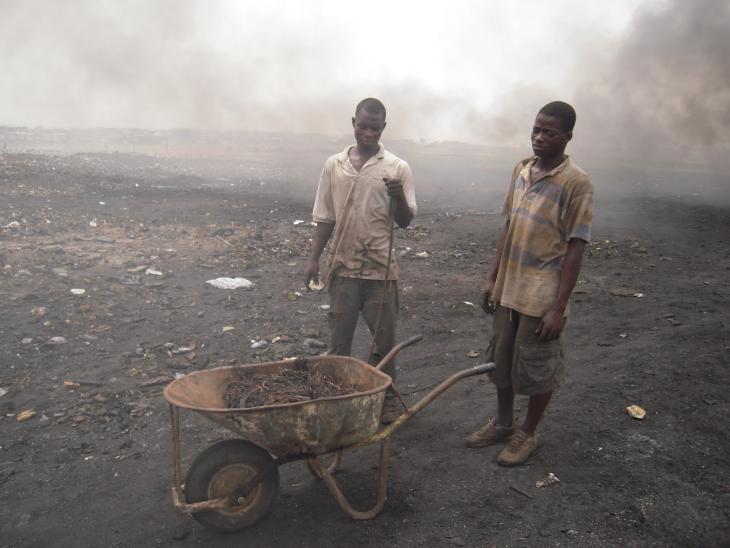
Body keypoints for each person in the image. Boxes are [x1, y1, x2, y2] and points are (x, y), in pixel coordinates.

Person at [465, 101, 593, 466]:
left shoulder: (577, 183)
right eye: (536, 129)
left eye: (549, 132)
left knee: (538, 367)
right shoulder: (521, 170)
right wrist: (492, 277)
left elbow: (575, 248)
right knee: (501, 360)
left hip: (541, 294)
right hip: (510, 287)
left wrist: (558, 308)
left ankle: (528, 433)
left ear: (567, 137)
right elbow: (508, 227)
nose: (539, 137)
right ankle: (504, 424)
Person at [304, 98, 417, 424]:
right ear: (354, 122)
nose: (368, 132)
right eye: (363, 126)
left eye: (375, 127)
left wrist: (397, 195)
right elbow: (325, 216)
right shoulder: (334, 164)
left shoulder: (397, 168)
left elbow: (406, 221)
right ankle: (337, 398)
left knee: (384, 340)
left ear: (384, 127)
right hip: (342, 267)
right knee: (339, 342)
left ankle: (388, 398)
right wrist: (313, 259)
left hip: (380, 269)